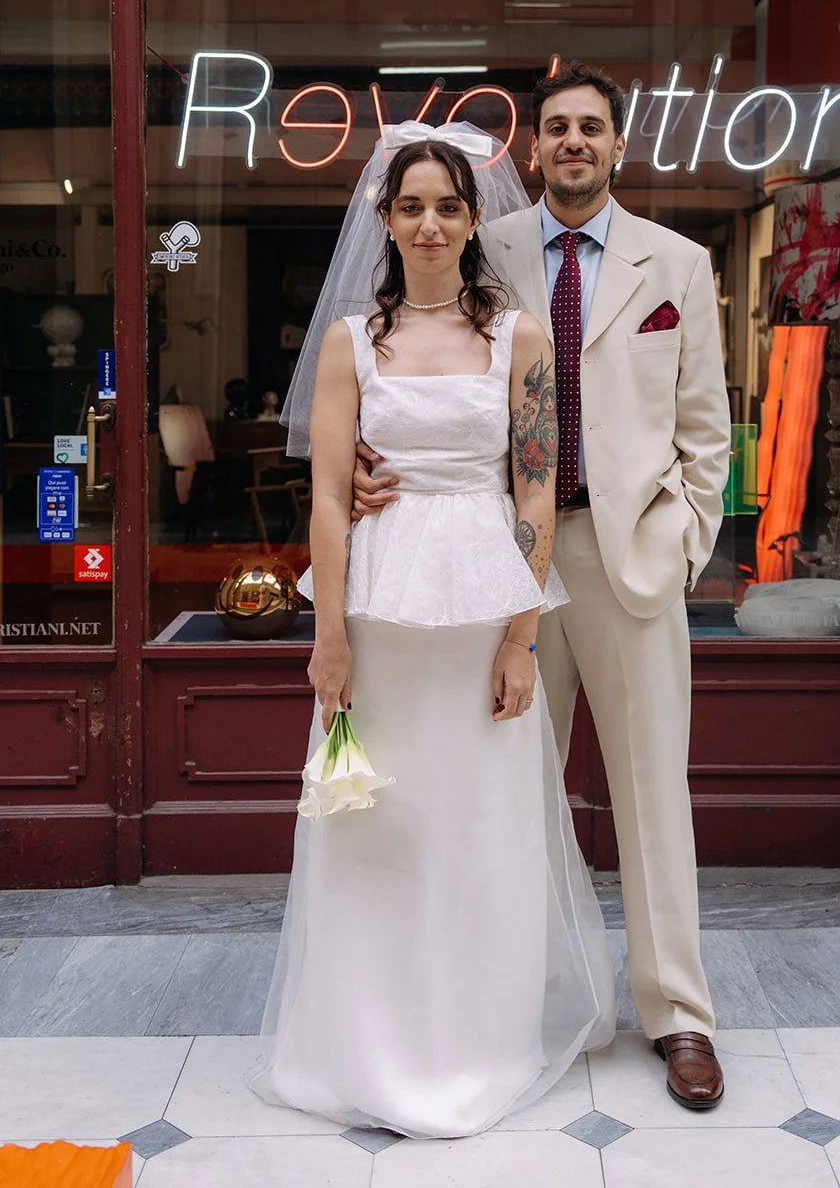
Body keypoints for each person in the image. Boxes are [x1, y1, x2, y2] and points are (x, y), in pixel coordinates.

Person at [356, 62, 732, 1111]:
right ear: (535, 149)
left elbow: (707, 430)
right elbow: (422, 361)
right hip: (500, 559)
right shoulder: (493, 249)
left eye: (590, 128)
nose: (572, 141)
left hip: (629, 566)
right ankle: (518, 1004)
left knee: (653, 795)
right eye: (556, 128)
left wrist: (686, 538)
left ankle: (677, 1016)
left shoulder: (680, 265)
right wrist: (370, 457)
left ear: (618, 147)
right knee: (508, 792)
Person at [248, 127, 615, 1139]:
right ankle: (365, 1042)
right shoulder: (347, 344)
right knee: (378, 826)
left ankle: (474, 1038)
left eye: (447, 206)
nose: (428, 224)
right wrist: (328, 638)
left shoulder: (520, 341)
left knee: (476, 824)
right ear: (384, 217)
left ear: (472, 219)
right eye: (409, 205)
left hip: (479, 603)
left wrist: (518, 639)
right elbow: (326, 498)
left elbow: (535, 486)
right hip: (376, 603)